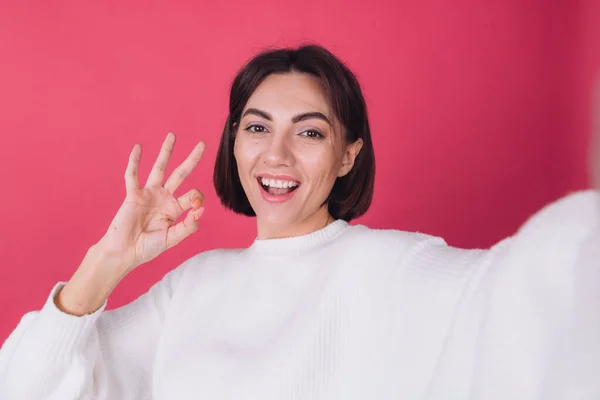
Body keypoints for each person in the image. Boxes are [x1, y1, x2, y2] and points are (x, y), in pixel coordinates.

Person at [0, 44, 598, 400]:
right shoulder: (195, 285)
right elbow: (24, 388)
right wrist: (105, 264)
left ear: (348, 155)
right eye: (257, 127)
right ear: (234, 143)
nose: (277, 155)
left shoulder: (393, 267)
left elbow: (538, 298)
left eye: (309, 131)